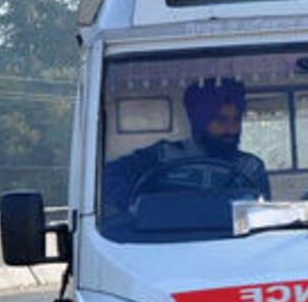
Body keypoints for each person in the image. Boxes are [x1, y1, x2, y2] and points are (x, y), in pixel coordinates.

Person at [102, 77, 270, 214]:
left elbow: (262, 216)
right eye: (221, 120)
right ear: (200, 121)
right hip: (166, 244)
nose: (231, 129)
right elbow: (107, 179)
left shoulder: (251, 167)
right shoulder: (164, 155)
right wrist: (137, 209)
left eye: (236, 120)